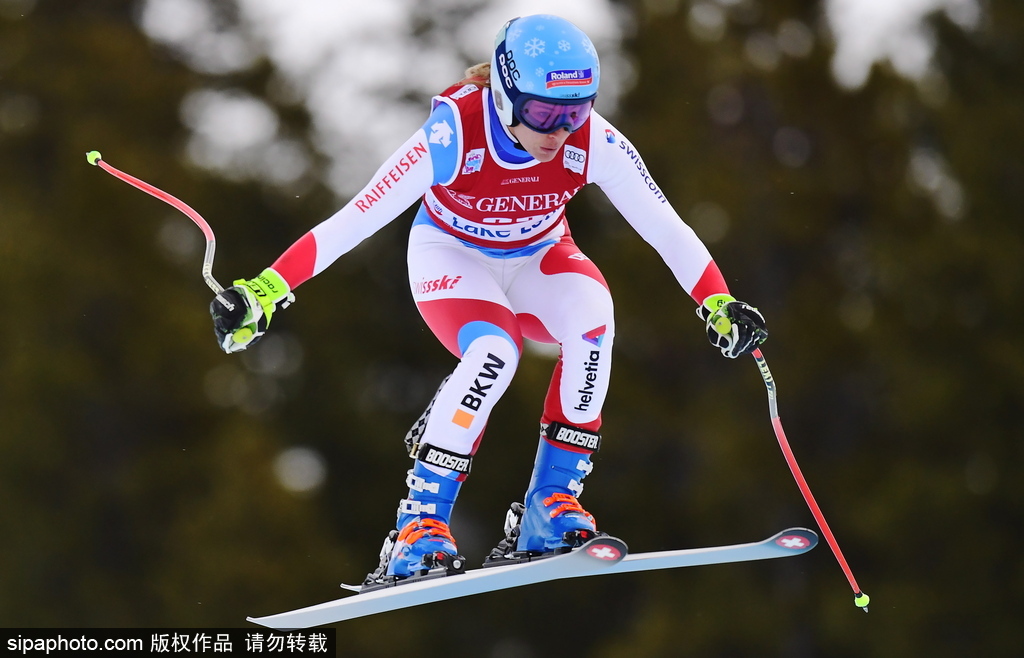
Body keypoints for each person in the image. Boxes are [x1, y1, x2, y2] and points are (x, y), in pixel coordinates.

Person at [210, 14, 767, 587]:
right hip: (452, 256)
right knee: (495, 354)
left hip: (538, 254)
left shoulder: (591, 140)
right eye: (544, 113)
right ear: (504, 93)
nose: (560, 130)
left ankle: (549, 508)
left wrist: (717, 302)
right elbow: (356, 220)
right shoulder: (453, 133)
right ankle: (418, 527)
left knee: (594, 319)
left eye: (576, 111)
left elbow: (665, 227)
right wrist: (266, 291)